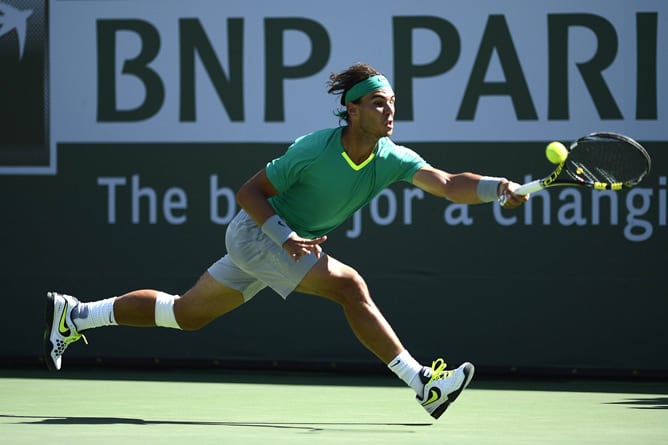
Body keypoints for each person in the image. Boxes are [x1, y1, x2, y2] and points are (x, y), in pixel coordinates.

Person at [44, 62, 528, 419]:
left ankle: (78, 314)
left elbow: (445, 183)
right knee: (349, 286)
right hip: (260, 233)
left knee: (184, 314)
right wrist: (285, 234)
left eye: (393, 103)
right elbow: (249, 192)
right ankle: (422, 382)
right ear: (352, 109)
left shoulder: (391, 156)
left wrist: (495, 189)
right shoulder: (314, 149)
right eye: (379, 102)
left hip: (289, 244)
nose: (389, 111)